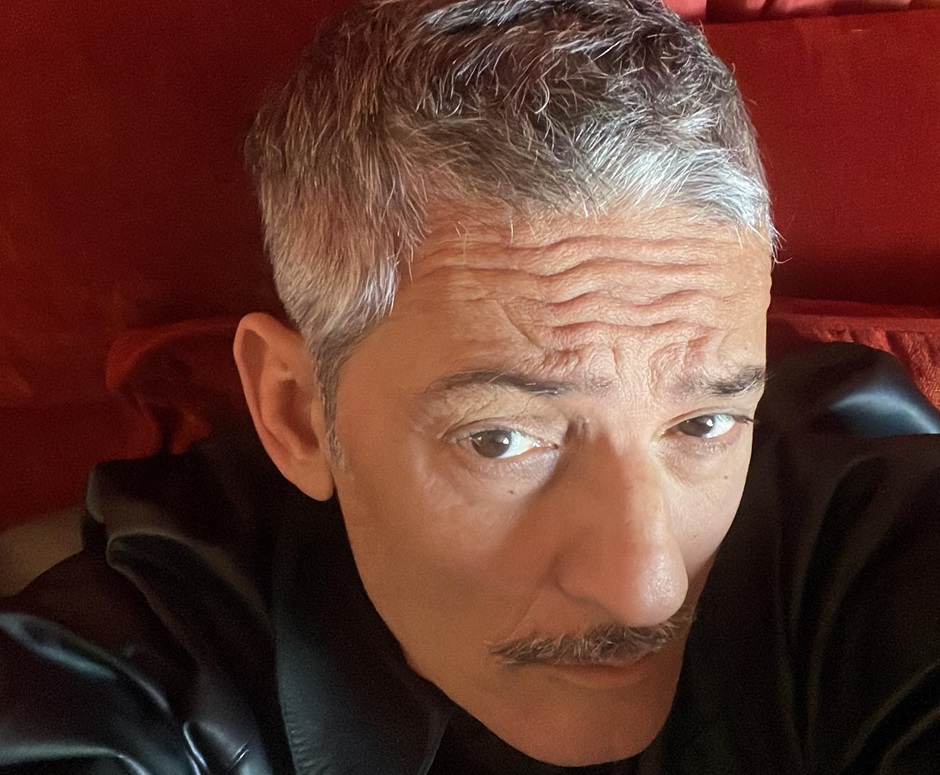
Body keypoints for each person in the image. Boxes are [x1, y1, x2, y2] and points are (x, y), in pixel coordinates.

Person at [1, 0, 938, 773]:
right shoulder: (140, 679)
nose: (649, 590)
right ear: (298, 413)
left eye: (703, 423)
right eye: (502, 439)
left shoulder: (860, 537)